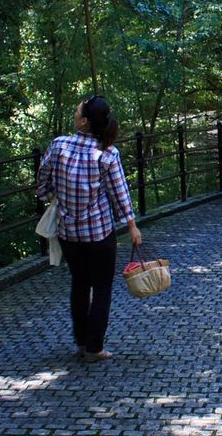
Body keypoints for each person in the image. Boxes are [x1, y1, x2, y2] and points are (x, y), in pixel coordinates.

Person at [36, 95, 142, 361]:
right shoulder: (107, 154)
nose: (76, 110)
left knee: (80, 283)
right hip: (99, 232)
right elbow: (120, 193)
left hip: (68, 232)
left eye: (78, 108)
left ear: (84, 121)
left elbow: (42, 181)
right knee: (103, 286)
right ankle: (95, 347)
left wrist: (52, 197)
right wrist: (131, 226)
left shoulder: (59, 146)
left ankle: (82, 342)